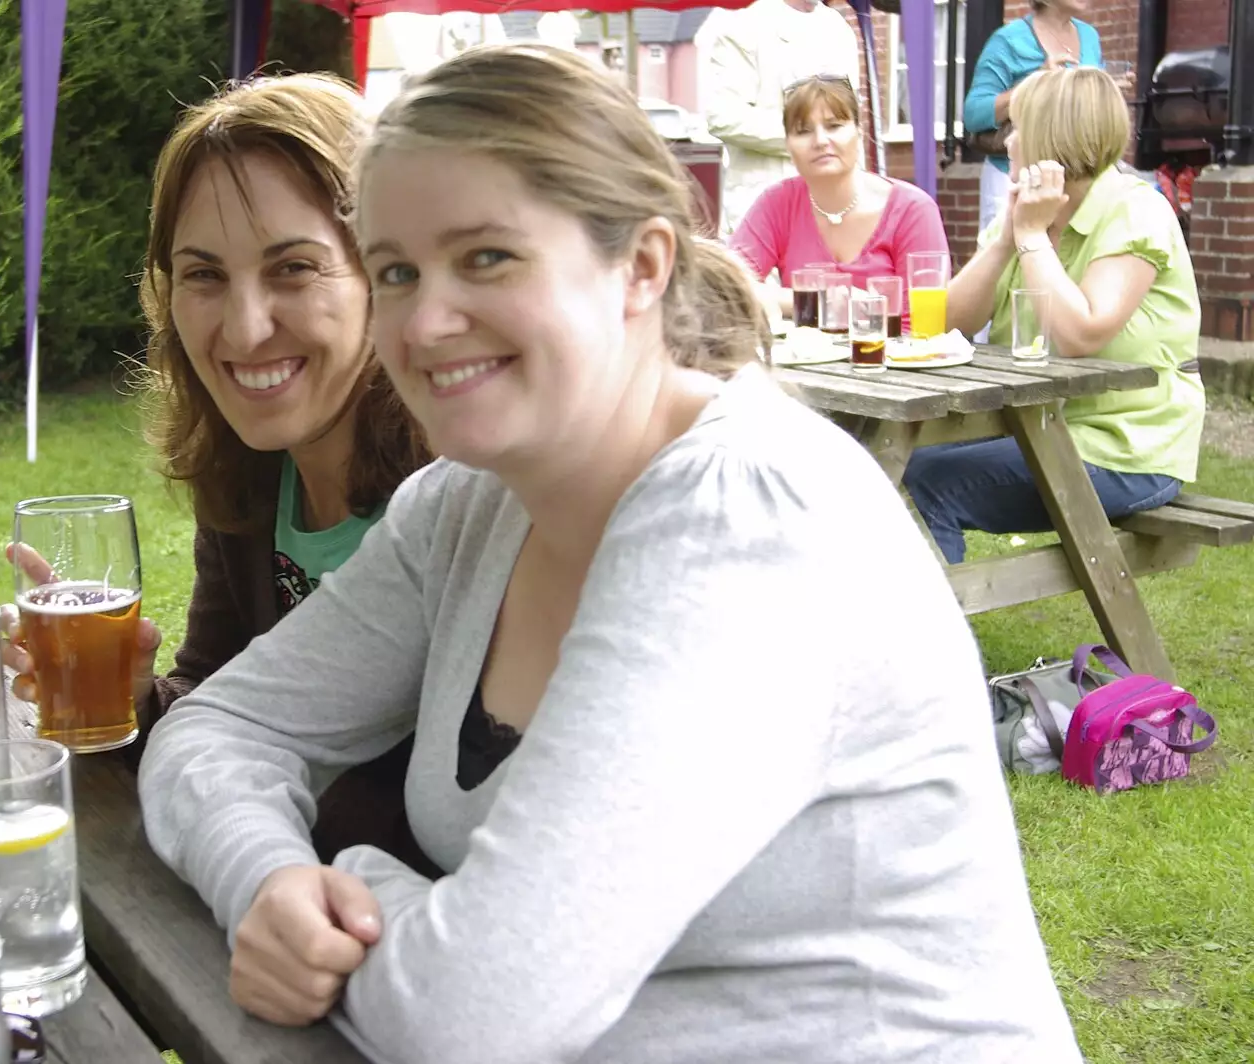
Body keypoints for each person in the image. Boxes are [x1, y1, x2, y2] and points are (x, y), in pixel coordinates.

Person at [139, 43, 1081, 1064]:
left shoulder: (744, 520)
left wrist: (355, 883)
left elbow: (471, 1014)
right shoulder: (464, 509)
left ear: (641, 266)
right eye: (398, 269)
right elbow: (216, 730)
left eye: (486, 256)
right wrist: (267, 881)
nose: (426, 318)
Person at [3, 74, 433, 867]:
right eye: (203, 274)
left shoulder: (454, 497)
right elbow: (215, 703)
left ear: (382, 271)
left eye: (293, 268)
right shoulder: (250, 483)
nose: (244, 326)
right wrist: (133, 700)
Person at [906, 67, 1202, 565]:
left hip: (1127, 452)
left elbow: (1080, 334)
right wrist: (1006, 239)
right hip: (1038, 431)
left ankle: (927, 639)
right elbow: (945, 324)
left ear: (1051, 137)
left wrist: (1030, 238)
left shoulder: (1135, 211)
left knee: (928, 479)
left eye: (1018, 127)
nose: (1008, 140)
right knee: (891, 465)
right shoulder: (1023, 214)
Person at [728, 74, 948, 324]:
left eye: (834, 126)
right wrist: (819, 300)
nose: (821, 141)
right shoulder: (778, 203)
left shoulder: (913, 210)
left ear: (859, 133)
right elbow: (725, 286)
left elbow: (920, 325)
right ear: (788, 146)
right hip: (805, 360)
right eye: (803, 131)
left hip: (892, 359)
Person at [704, 0, 861, 235]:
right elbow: (724, 116)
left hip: (834, 211)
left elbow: (848, 120)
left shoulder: (837, 28)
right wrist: (806, 137)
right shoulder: (742, 22)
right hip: (764, 209)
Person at [963, 0, 1116, 234]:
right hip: (1015, 178)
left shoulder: (1089, 36)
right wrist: (1036, 81)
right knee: (1009, 263)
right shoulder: (1008, 40)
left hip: (1076, 179)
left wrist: (1106, 92)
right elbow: (974, 113)